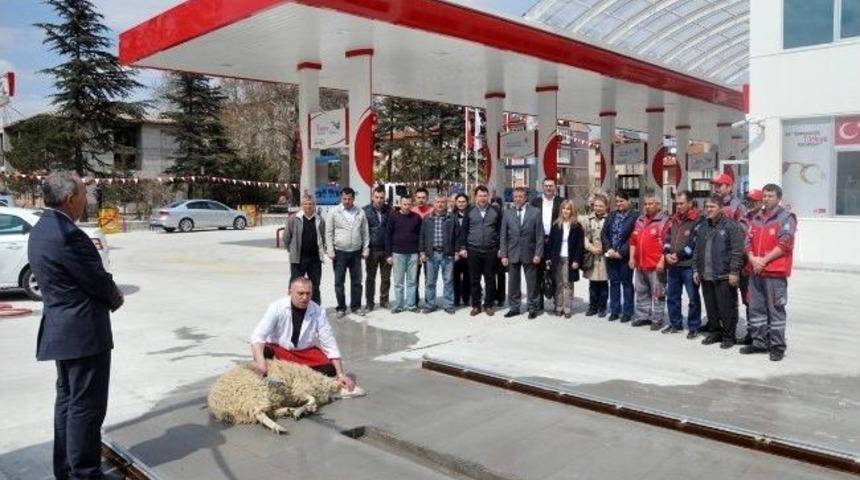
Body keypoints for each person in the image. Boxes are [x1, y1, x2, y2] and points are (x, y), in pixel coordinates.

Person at [29, 171, 124, 480]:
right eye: (84, 193)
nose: (87, 199)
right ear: (70, 199)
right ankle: (85, 473)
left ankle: (68, 470)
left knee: (68, 404)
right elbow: (96, 279)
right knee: (86, 408)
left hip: (62, 331)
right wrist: (115, 296)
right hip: (83, 335)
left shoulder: (42, 228)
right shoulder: (69, 235)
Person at [250, 277, 362, 396]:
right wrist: (261, 364)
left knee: (330, 369)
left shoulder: (319, 312)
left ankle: (292, 374)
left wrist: (340, 374)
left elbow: (329, 342)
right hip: (279, 350)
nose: (304, 297)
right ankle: (275, 372)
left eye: (308, 293)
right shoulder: (276, 307)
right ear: (289, 292)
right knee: (263, 352)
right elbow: (257, 337)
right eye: (300, 293)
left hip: (303, 353)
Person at [742, 184, 797, 361]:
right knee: (756, 309)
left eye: (770, 196)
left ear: (779, 198)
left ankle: (777, 346)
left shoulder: (786, 218)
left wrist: (763, 261)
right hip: (755, 271)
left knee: (776, 310)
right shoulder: (756, 218)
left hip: (774, 272)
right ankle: (759, 342)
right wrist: (752, 258)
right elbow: (747, 242)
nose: (766, 199)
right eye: (764, 196)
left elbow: (785, 244)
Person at [693, 193, 745, 349]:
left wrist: (734, 272)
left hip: (724, 275)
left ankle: (729, 336)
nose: (709, 209)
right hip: (706, 275)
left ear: (721, 208)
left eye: (712, 207)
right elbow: (697, 250)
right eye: (707, 207)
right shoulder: (703, 226)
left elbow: (737, 251)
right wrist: (696, 269)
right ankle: (715, 332)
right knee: (711, 307)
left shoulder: (731, 226)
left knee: (727, 307)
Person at [662, 191, 703, 338]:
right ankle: (675, 323)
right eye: (677, 203)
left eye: (681, 203)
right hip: (673, 265)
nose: (678, 206)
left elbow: (694, 243)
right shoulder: (673, 219)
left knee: (693, 298)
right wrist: (666, 253)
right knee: (672, 296)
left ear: (690, 203)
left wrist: (677, 255)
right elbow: (666, 238)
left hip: (688, 266)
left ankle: (693, 326)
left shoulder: (698, 220)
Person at [457, 185, 502, 317]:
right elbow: (463, 231)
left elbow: (500, 231)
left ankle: (488, 304)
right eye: (480, 195)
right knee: (474, 280)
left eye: (484, 195)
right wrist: (463, 247)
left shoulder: (495, 211)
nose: (482, 198)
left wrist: (499, 248)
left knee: (490, 279)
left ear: (488, 196)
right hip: (473, 250)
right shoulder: (469, 211)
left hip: (490, 251)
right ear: (475, 197)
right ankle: (476, 305)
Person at [500, 187, 544, 319]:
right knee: (513, 283)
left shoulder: (535, 212)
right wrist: (503, 254)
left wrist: (538, 254)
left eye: (520, 196)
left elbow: (539, 235)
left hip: (530, 253)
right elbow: (503, 236)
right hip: (512, 252)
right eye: (515, 197)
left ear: (526, 198)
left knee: (532, 283)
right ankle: (514, 307)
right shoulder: (507, 213)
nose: (518, 199)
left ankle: (532, 308)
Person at [325, 187, 369, 318]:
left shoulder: (360, 212)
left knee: (357, 282)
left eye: (349, 199)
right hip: (340, 253)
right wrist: (330, 250)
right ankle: (341, 308)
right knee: (339, 282)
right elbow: (328, 232)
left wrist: (366, 249)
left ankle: (356, 307)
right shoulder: (334, 212)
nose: (347, 201)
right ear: (341, 198)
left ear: (353, 199)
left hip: (356, 252)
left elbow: (365, 232)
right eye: (344, 198)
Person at [629, 196, 670, 330]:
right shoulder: (640, 220)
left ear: (658, 205)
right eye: (645, 204)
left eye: (651, 204)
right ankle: (642, 316)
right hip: (640, 264)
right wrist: (631, 258)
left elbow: (667, 244)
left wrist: (662, 261)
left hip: (655, 265)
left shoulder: (664, 221)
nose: (647, 206)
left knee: (658, 293)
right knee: (641, 292)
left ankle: (657, 319)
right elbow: (633, 241)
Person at [601, 191, 637, 322]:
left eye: (621, 201)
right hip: (611, 256)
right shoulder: (611, 216)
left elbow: (633, 237)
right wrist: (609, 249)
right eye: (617, 201)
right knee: (614, 283)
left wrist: (621, 252)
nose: (619, 204)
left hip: (625, 257)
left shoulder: (635, 216)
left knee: (627, 284)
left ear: (628, 201)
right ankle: (615, 310)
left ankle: (627, 312)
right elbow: (604, 234)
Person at [283, 195, 326, 305]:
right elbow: (286, 238)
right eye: (306, 204)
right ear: (302, 205)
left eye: (310, 204)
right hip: (298, 259)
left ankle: (316, 309)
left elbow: (323, 237)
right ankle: (292, 307)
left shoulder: (319, 220)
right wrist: (292, 251)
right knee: (295, 284)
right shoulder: (293, 219)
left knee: (315, 286)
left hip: (315, 260)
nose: (308, 206)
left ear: (314, 205)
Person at [546, 199, 585, 318]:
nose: (565, 211)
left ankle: (567, 308)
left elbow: (580, 245)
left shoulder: (577, 227)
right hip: (557, 258)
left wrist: (577, 260)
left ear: (572, 211)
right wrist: (548, 257)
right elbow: (550, 243)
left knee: (568, 284)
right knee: (558, 283)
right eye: (563, 208)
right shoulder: (556, 225)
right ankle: (558, 306)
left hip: (570, 259)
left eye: (568, 209)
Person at [419, 196, 458, 314]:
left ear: (446, 204)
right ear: (433, 203)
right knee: (430, 281)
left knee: (448, 281)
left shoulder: (452, 218)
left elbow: (457, 236)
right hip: (432, 254)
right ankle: (430, 304)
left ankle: (448, 304)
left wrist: (456, 251)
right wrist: (422, 252)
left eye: (442, 202)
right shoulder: (427, 218)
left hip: (447, 254)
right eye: (437, 202)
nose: (440, 204)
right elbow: (422, 236)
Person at [386, 195, 423, 313]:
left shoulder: (417, 218)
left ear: (412, 205)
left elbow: (421, 237)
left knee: (412, 282)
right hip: (398, 254)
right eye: (404, 204)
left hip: (413, 254)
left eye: (409, 204)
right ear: (400, 204)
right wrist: (388, 255)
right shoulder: (393, 217)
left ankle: (412, 305)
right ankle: (399, 305)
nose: (407, 207)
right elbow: (387, 236)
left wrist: (420, 253)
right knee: (398, 282)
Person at [736, 189, 763, 345]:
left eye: (754, 201)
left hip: (759, 268)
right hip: (744, 268)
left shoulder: (763, 220)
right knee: (748, 302)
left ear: (761, 203)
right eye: (748, 201)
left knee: (761, 304)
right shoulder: (743, 219)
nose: (750, 204)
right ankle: (752, 334)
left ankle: (762, 335)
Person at [531, 178, 562, 311]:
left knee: (555, 272)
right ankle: (538, 302)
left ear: (555, 187)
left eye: (551, 186)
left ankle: (557, 302)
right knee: (537, 272)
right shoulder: (535, 202)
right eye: (546, 186)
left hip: (555, 241)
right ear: (542, 187)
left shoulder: (561, 202)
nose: (548, 188)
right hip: (539, 241)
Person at [364, 186, 392, 310]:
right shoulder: (365, 211)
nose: (379, 200)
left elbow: (392, 230)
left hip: (386, 250)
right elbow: (362, 232)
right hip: (372, 250)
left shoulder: (390, 210)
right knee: (370, 278)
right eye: (377, 197)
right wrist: (365, 248)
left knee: (386, 277)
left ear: (384, 198)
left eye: (381, 197)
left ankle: (384, 300)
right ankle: (370, 303)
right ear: (372, 197)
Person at [582, 193, 609, 317]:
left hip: (604, 257)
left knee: (603, 284)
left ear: (606, 207)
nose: (598, 208)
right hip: (592, 256)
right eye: (596, 206)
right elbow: (584, 237)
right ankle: (592, 306)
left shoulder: (609, 219)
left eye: (601, 206)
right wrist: (591, 248)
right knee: (593, 284)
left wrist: (605, 248)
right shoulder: (588, 220)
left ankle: (602, 307)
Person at [412, 188, 434, 308]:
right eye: (419, 197)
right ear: (415, 198)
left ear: (427, 198)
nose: (421, 200)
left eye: (423, 198)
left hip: (429, 251)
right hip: (414, 251)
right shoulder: (412, 211)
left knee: (429, 278)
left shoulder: (432, 211)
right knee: (414, 278)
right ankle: (414, 301)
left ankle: (428, 300)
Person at [452, 194, 471, 308]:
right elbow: (451, 235)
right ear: (455, 203)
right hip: (455, 252)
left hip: (469, 251)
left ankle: (466, 298)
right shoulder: (451, 215)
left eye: (463, 201)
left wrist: (467, 249)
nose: (461, 203)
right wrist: (456, 250)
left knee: (468, 276)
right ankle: (456, 299)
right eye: (459, 201)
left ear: (467, 202)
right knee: (455, 277)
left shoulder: (472, 215)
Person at [490, 196, 507, 306]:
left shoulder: (504, 216)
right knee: (490, 274)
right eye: (493, 202)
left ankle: (501, 297)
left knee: (501, 275)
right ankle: (491, 295)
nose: (495, 204)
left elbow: (505, 234)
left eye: (497, 202)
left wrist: (502, 248)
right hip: (490, 249)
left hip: (501, 249)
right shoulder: (489, 215)